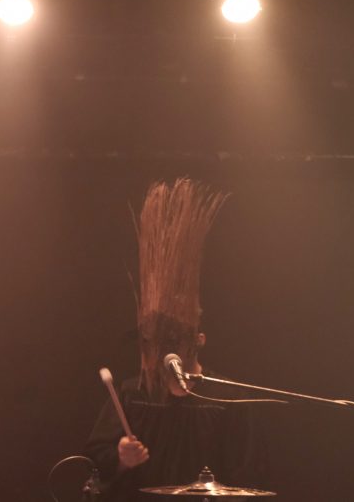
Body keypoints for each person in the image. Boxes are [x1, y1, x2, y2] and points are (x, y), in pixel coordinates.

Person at [85, 179, 264, 500]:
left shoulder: (229, 399)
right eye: (154, 340)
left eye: (175, 338)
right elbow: (96, 460)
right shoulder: (132, 395)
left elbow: (246, 474)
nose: (164, 348)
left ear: (199, 339)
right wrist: (122, 460)